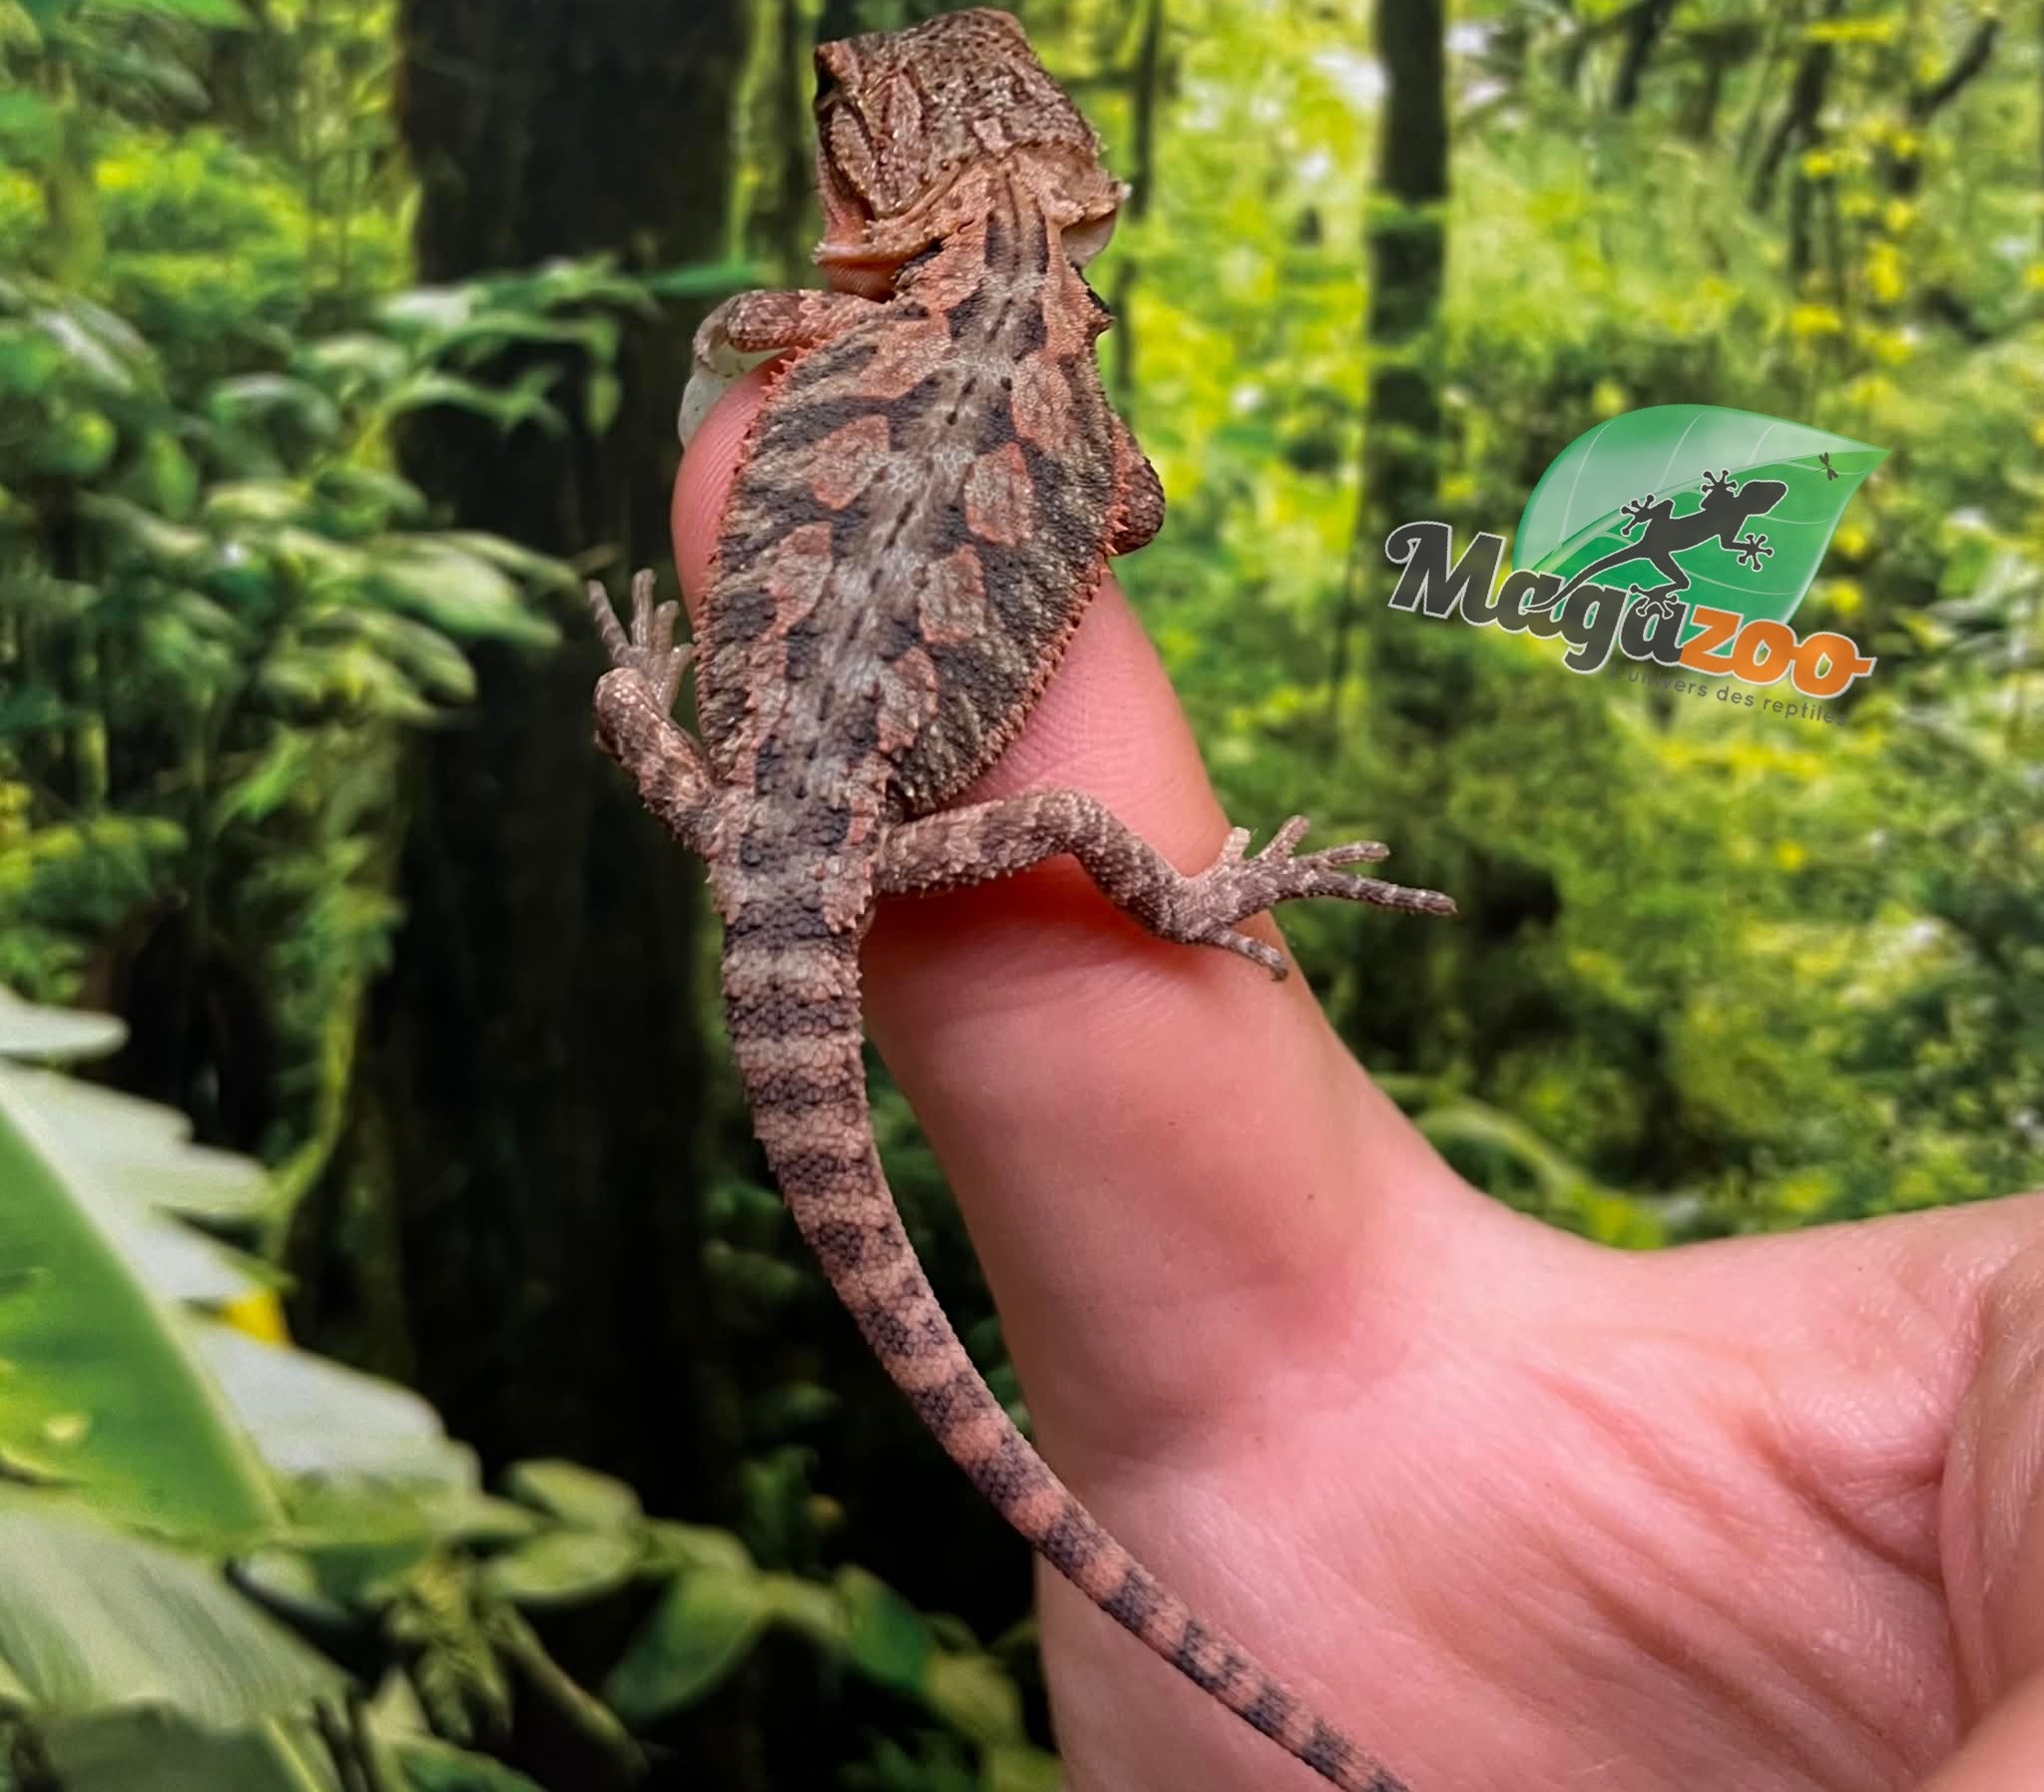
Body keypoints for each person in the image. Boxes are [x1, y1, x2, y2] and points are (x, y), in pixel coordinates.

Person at [675, 372, 2044, 1792]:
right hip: (820, 828)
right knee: (1080, 817)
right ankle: (1196, 910)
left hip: (765, 815)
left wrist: (644, 706)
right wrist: (1200, 903)